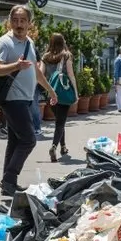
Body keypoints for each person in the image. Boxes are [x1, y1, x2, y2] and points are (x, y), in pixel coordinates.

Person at [0, 4, 57, 197]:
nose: (19, 24)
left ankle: (8, 184)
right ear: (10, 21)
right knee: (28, 140)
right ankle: (9, 179)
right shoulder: (4, 42)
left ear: (30, 23)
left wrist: (51, 90)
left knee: (14, 142)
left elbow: (36, 70)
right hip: (13, 99)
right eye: (15, 20)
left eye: (23, 20)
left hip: (27, 98)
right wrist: (16, 66)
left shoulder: (29, 41)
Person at [40, 33, 78, 163]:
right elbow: (71, 75)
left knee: (59, 121)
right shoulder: (66, 55)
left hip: (50, 94)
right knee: (60, 122)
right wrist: (76, 93)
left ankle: (63, 147)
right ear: (63, 42)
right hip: (62, 94)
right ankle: (54, 146)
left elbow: (41, 74)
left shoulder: (45, 57)